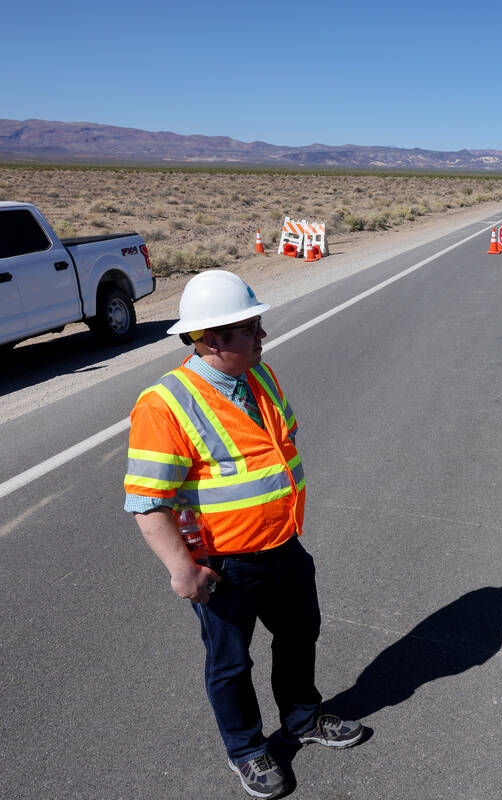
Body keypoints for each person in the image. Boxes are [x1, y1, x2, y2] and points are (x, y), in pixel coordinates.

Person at [123, 270, 362, 799]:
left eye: (258, 325)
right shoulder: (164, 404)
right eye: (250, 328)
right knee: (230, 663)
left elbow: (277, 447)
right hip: (225, 564)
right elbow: (146, 501)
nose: (262, 336)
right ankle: (247, 750)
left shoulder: (262, 376)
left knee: (300, 636)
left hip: (283, 546)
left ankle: (303, 719)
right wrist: (181, 570)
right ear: (211, 339)